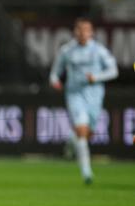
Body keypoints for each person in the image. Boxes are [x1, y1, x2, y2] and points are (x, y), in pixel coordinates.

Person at [50, 17, 118, 185]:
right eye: (79, 29)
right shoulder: (67, 50)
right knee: (82, 129)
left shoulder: (98, 50)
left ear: (91, 32)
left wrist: (96, 77)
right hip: (74, 94)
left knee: (88, 133)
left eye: (86, 30)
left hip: (94, 95)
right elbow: (55, 72)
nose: (82, 33)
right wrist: (55, 81)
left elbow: (113, 71)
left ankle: (71, 142)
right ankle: (87, 173)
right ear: (75, 31)